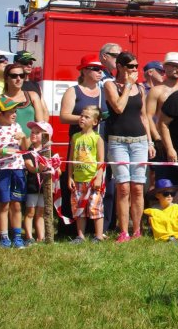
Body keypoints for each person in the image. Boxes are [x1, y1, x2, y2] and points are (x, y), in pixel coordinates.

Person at [104, 52, 154, 243]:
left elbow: (144, 116)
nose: (134, 70)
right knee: (123, 187)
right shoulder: (110, 85)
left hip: (139, 141)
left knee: (138, 188)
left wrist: (150, 141)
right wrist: (127, 86)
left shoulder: (140, 88)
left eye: (136, 66)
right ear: (120, 67)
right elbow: (118, 107)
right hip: (118, 142)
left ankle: (137, 229)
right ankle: (123, 230)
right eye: (130, 66)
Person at [59, 55, 109, 230]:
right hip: (79, 144)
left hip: (98, 142)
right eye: (95, 69)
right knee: (77, 187)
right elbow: (63, 116)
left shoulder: (104, 91)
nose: (99, 72)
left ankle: (99, 229)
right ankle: (74, 228)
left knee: (98, 185)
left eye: (101, 69)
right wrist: (86, 119)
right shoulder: (74, 91)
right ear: (85, 71)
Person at [0, 96, 30, 249]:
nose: (14, 114)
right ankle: (4, 237)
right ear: (0, 114)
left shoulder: (17, 127)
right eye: (10, 112)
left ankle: (17, 236)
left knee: (16, 204)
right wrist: (3, 151)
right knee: (3, 203)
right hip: (1, 170)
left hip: (18, 168)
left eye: (15, 111)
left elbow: (25, 148)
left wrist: (24, 138)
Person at [146, 52, 178, 197]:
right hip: (162, 142)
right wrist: (157, 139)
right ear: (165, 68)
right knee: (163, 182)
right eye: (174, 66)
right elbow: (148, 116)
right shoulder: (156, 91)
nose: (177, 69)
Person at [67, 106, 106, 243]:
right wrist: (70, 177)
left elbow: (101, 161)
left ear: (95, 122)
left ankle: (99, 236)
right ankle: (80, 236)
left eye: (86, 117)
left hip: (93, 180)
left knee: (95, 207)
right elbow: (71, 159)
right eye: (81, 116)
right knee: (79, 208)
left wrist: (99, 178)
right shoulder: (75, 137)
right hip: (78, 180)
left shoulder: (97, 138)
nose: (82, 118)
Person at [22, 121, 53, 246]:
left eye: (37, 132)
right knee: (30, 212)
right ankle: (29, 237)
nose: (33, 134)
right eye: (32, 132)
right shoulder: (28, 152)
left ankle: (41, 236)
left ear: (46, 136)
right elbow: (29, 167)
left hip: (45, 186)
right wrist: (38, 169)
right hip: (32, 186)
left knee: (40, 212)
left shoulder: (48, 152)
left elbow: (56, 169)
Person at [1, 63, 46, 134]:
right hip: (8, 140)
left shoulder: (33, 96)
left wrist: (44, 140)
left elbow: (41, 124)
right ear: (6, 79)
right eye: (14, 76)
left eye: (22, 76)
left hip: (31, 140)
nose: (18, 79)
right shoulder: (0, 99)